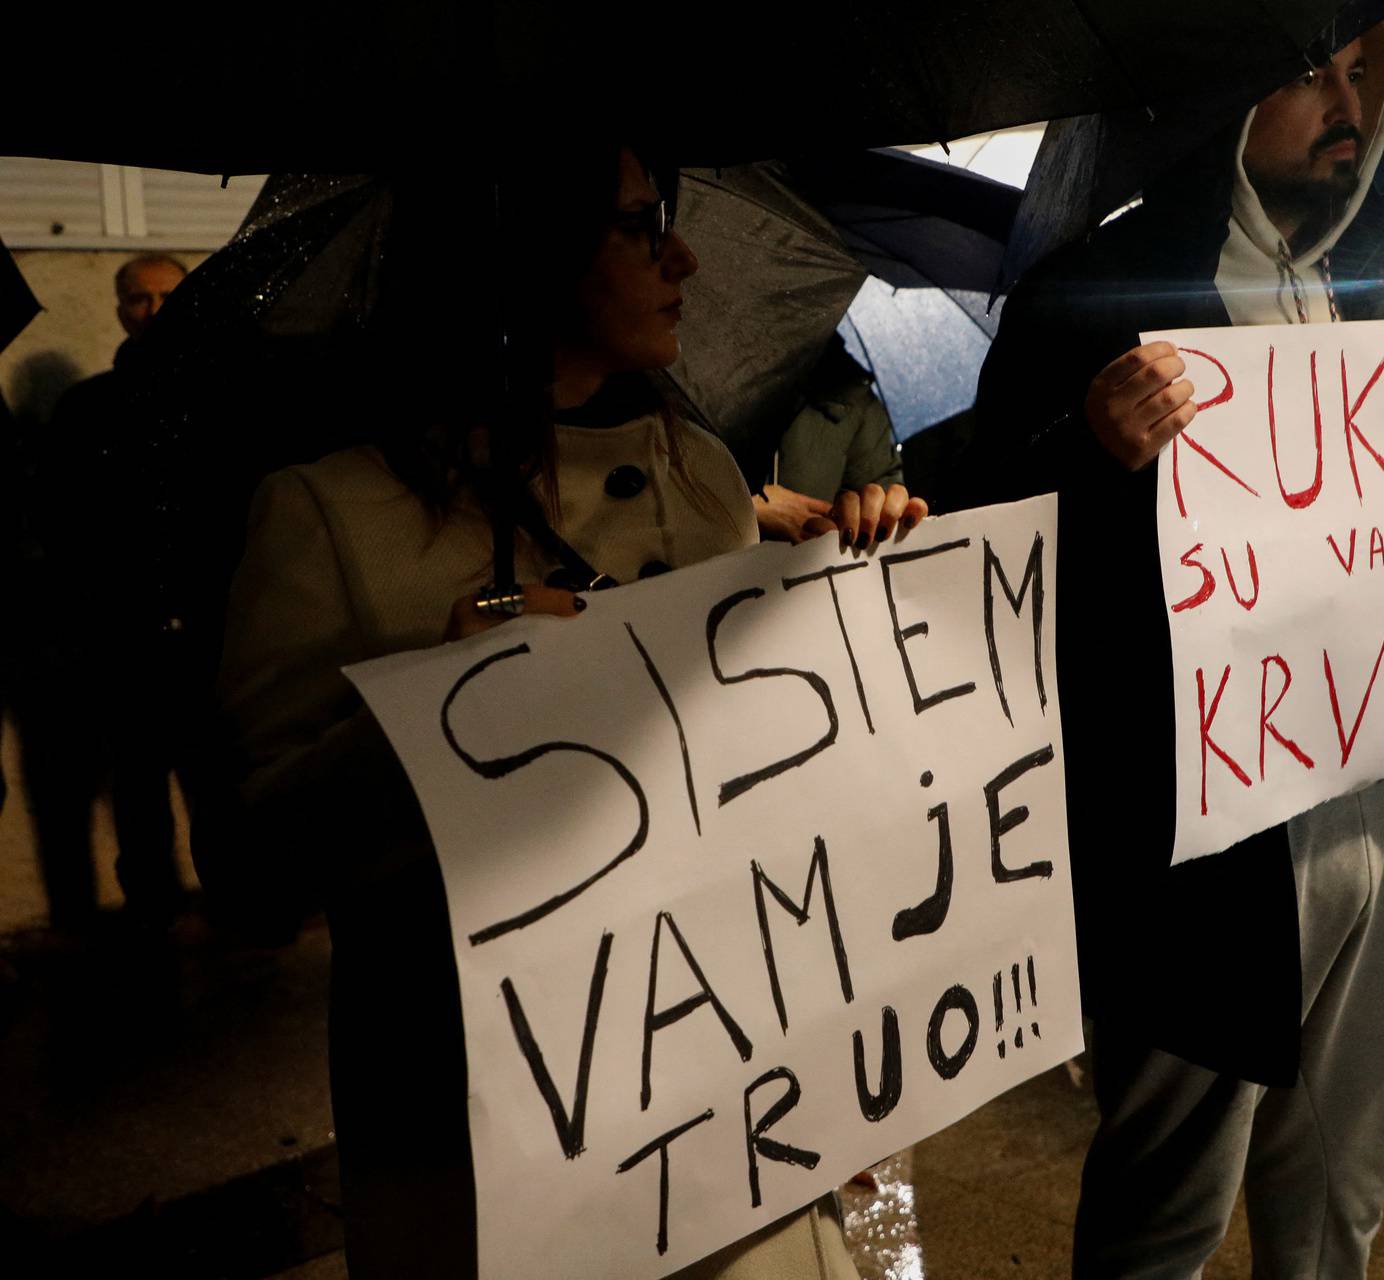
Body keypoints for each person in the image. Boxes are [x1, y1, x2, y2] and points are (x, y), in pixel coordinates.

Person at [214, 145, 922, 1279]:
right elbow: (251, 870)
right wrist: (422, 718)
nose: (680, 258)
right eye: (641, 227)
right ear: (518, 258)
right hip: (493, 1149)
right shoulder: (325, 514)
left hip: (736, 1110)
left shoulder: (698, 471)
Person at [971, 17, 1384, 1279]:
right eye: (1310, 71)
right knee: (1170, 1201)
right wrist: (1085, 450)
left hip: (1380, 814)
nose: (1343, 101)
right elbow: (983, 540)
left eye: (1364, 73)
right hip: (1202, 851)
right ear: (1217, 94)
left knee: (1343, 1183)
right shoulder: (1100, 284)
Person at [18, 253, 193, 931]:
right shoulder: (86, 408)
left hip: (213, 623)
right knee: (139, 787)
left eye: (168, 297)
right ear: (120, 309)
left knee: (219, 775)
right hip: (124, 629)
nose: (153, 310)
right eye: (139, 299)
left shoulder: (231, 395)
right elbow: (60, 523)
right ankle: (156, 912)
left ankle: (244, 909)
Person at [751, 333, 911, 546]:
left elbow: (878, 492)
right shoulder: (699, 379)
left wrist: (888, 517)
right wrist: (745, 509)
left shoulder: (855, 401)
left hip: (802, 575)